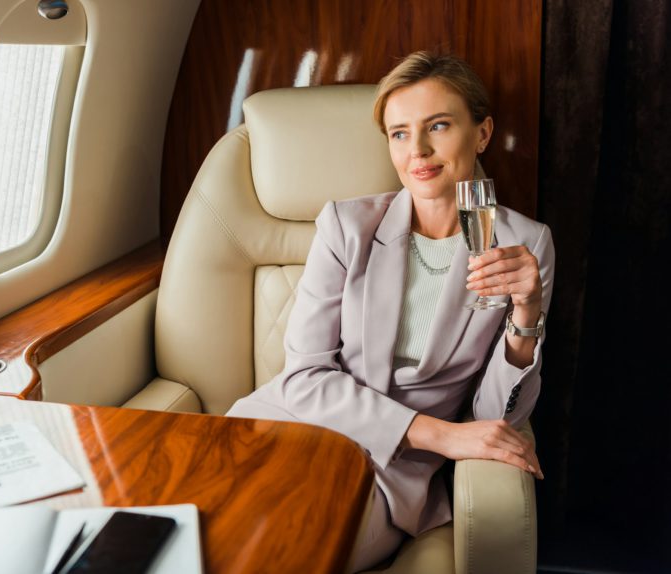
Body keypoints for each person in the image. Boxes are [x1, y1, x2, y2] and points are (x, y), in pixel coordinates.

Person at [225, 51, 555, 572]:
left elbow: (497, 417)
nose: (417, 151)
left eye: (438, 126)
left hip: (388, 469)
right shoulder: (345, 226)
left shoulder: (525, 244)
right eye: (399, 133)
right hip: (290, 424)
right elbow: (304, 377)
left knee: (284, 551)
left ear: (483, 133)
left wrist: (526, 314)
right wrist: (441, 434)